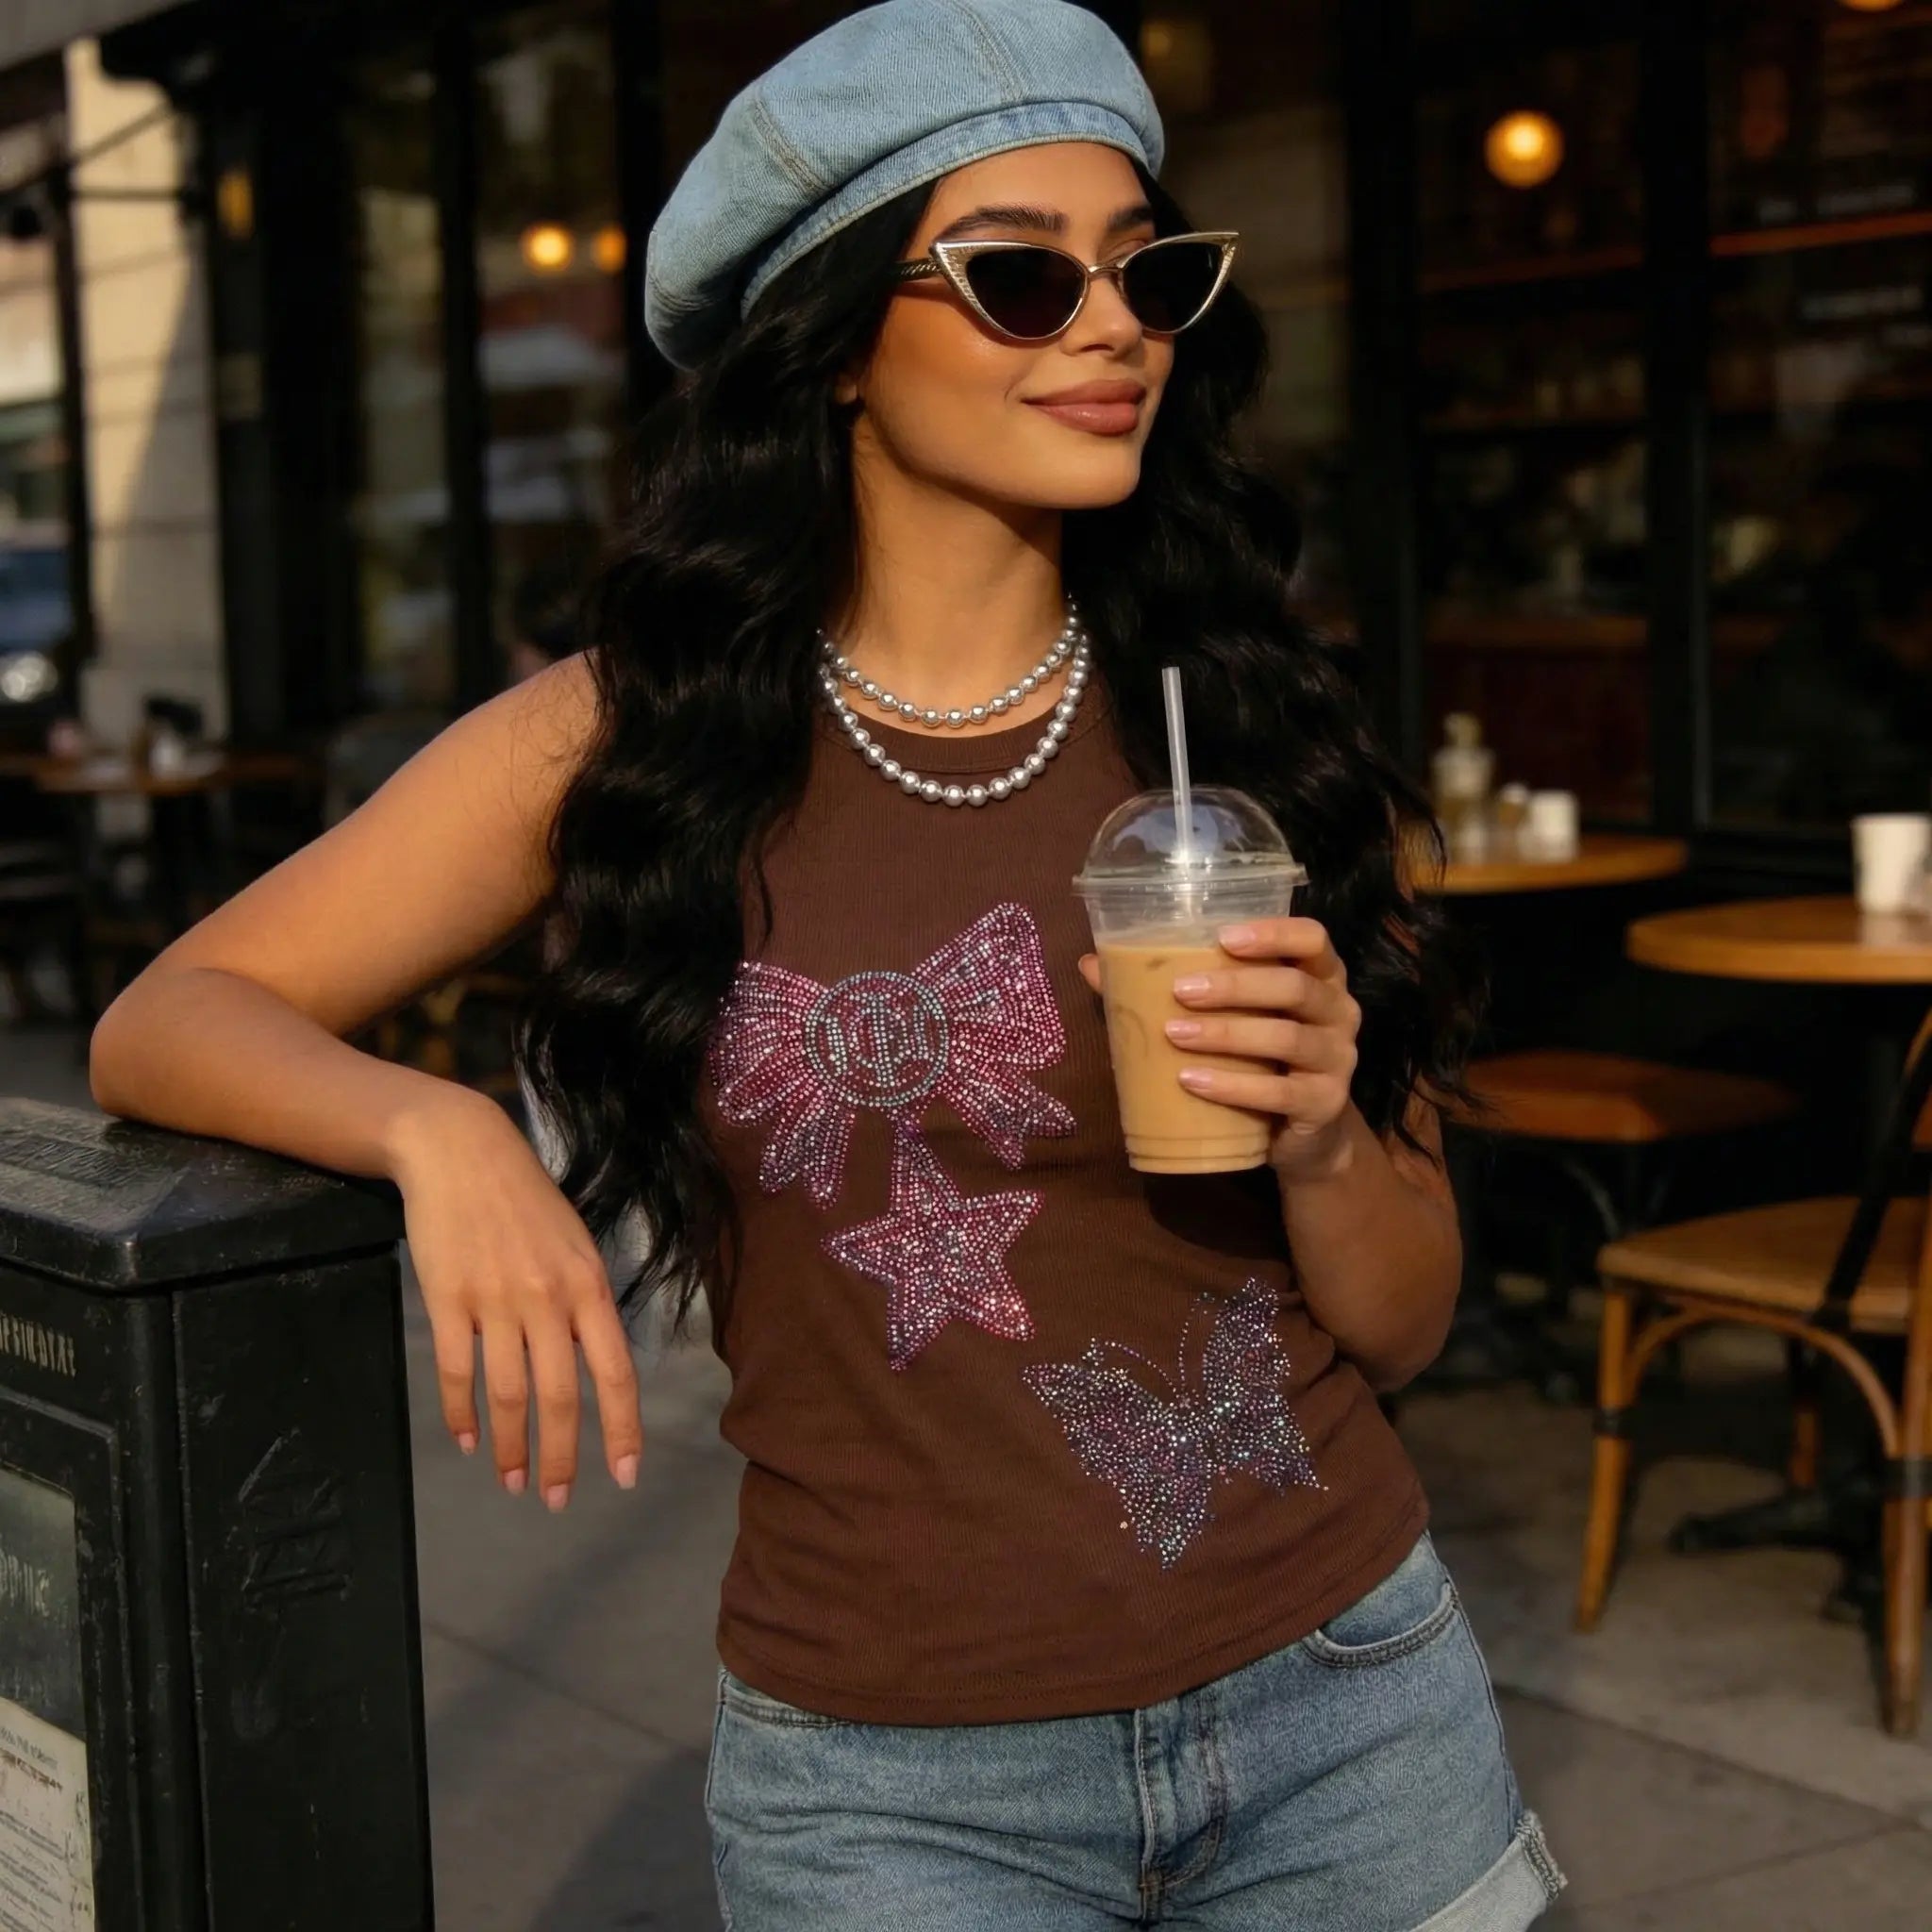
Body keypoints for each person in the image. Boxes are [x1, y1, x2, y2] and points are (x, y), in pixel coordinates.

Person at [86, 3, 1562, 1924]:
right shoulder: (632, 741)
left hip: (1349, 1706)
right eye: (1026, 277)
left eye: (1148, 273)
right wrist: (438, 1136)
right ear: (844, 342)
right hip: (897, 1787)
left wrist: (1318, 1142)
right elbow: (167, 1016)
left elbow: (1406, 1322)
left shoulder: (1240, 726)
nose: (1113, 326)